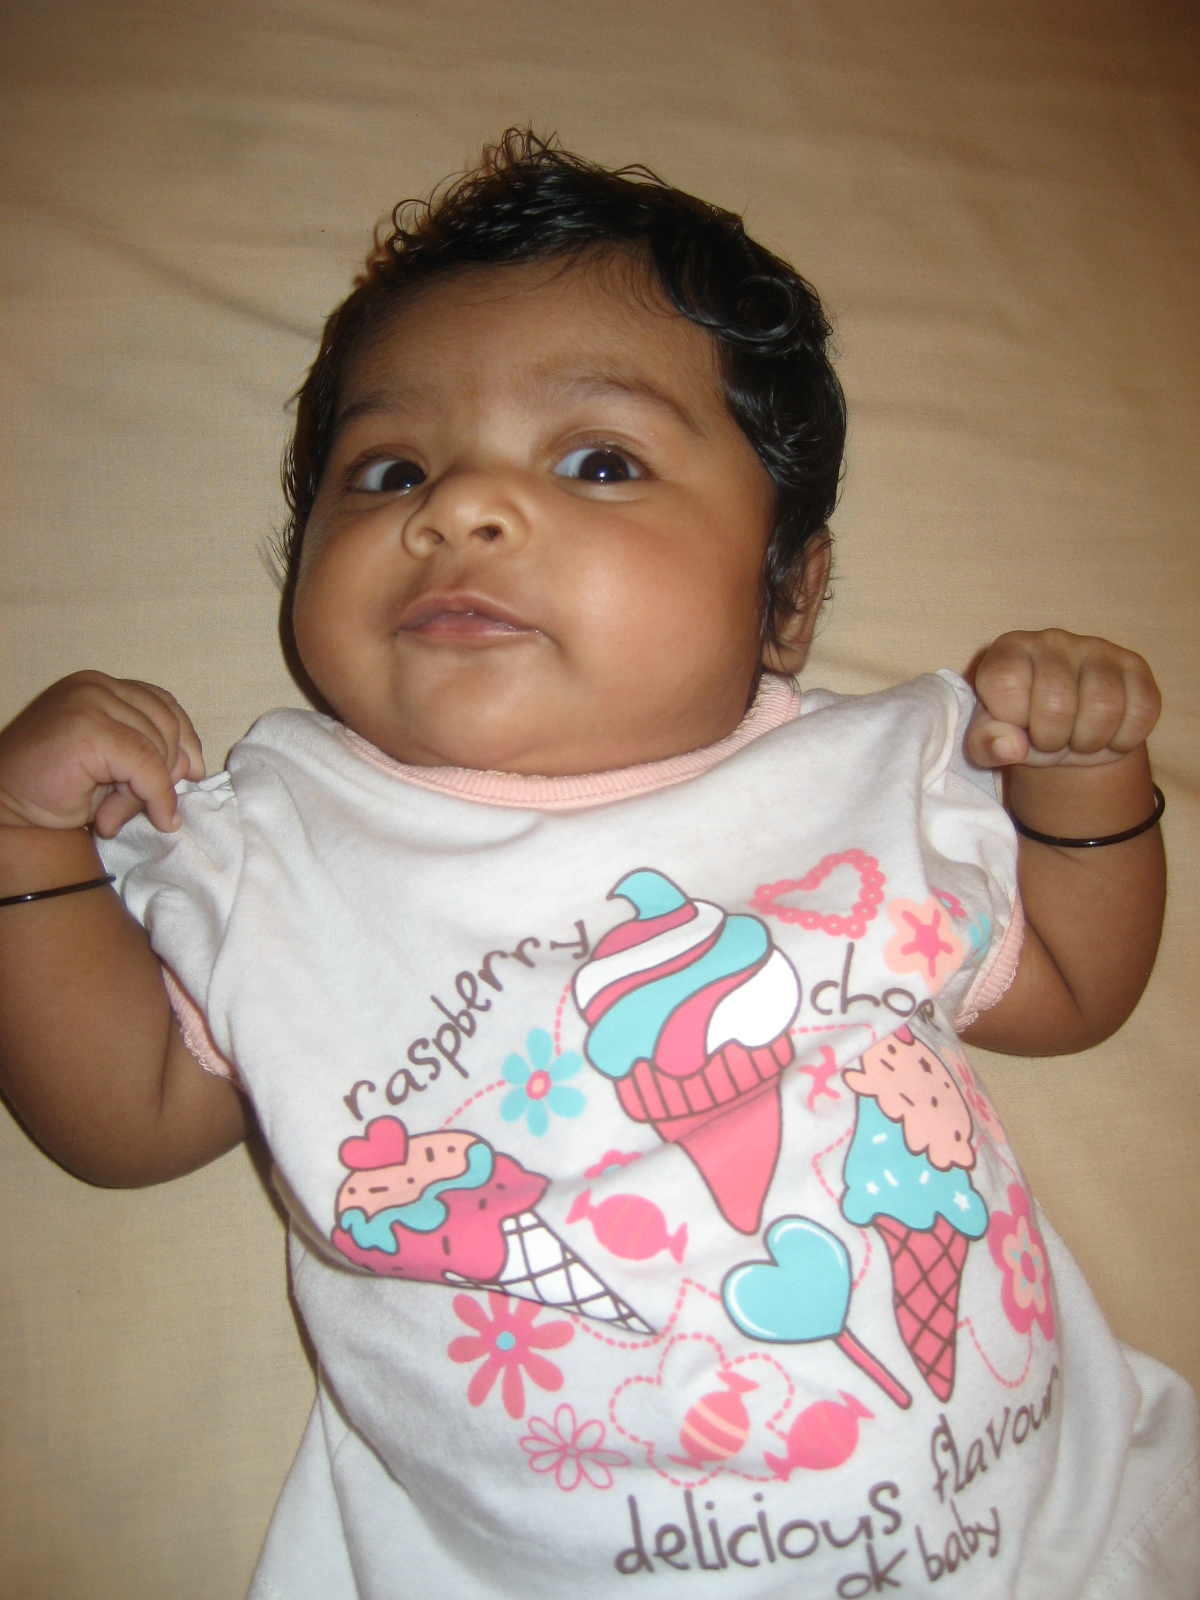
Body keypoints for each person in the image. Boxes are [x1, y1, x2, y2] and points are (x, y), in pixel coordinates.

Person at [0, 131, 1195, 1599]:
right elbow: (120, 1120)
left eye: (599, 461)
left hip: (1053, 1537)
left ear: (788, 597)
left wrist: (1084, 782)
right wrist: (27, 845)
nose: (459, 508)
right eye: (388, 469)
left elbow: (1072, 986)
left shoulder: (872, 774)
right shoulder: (278, 839)